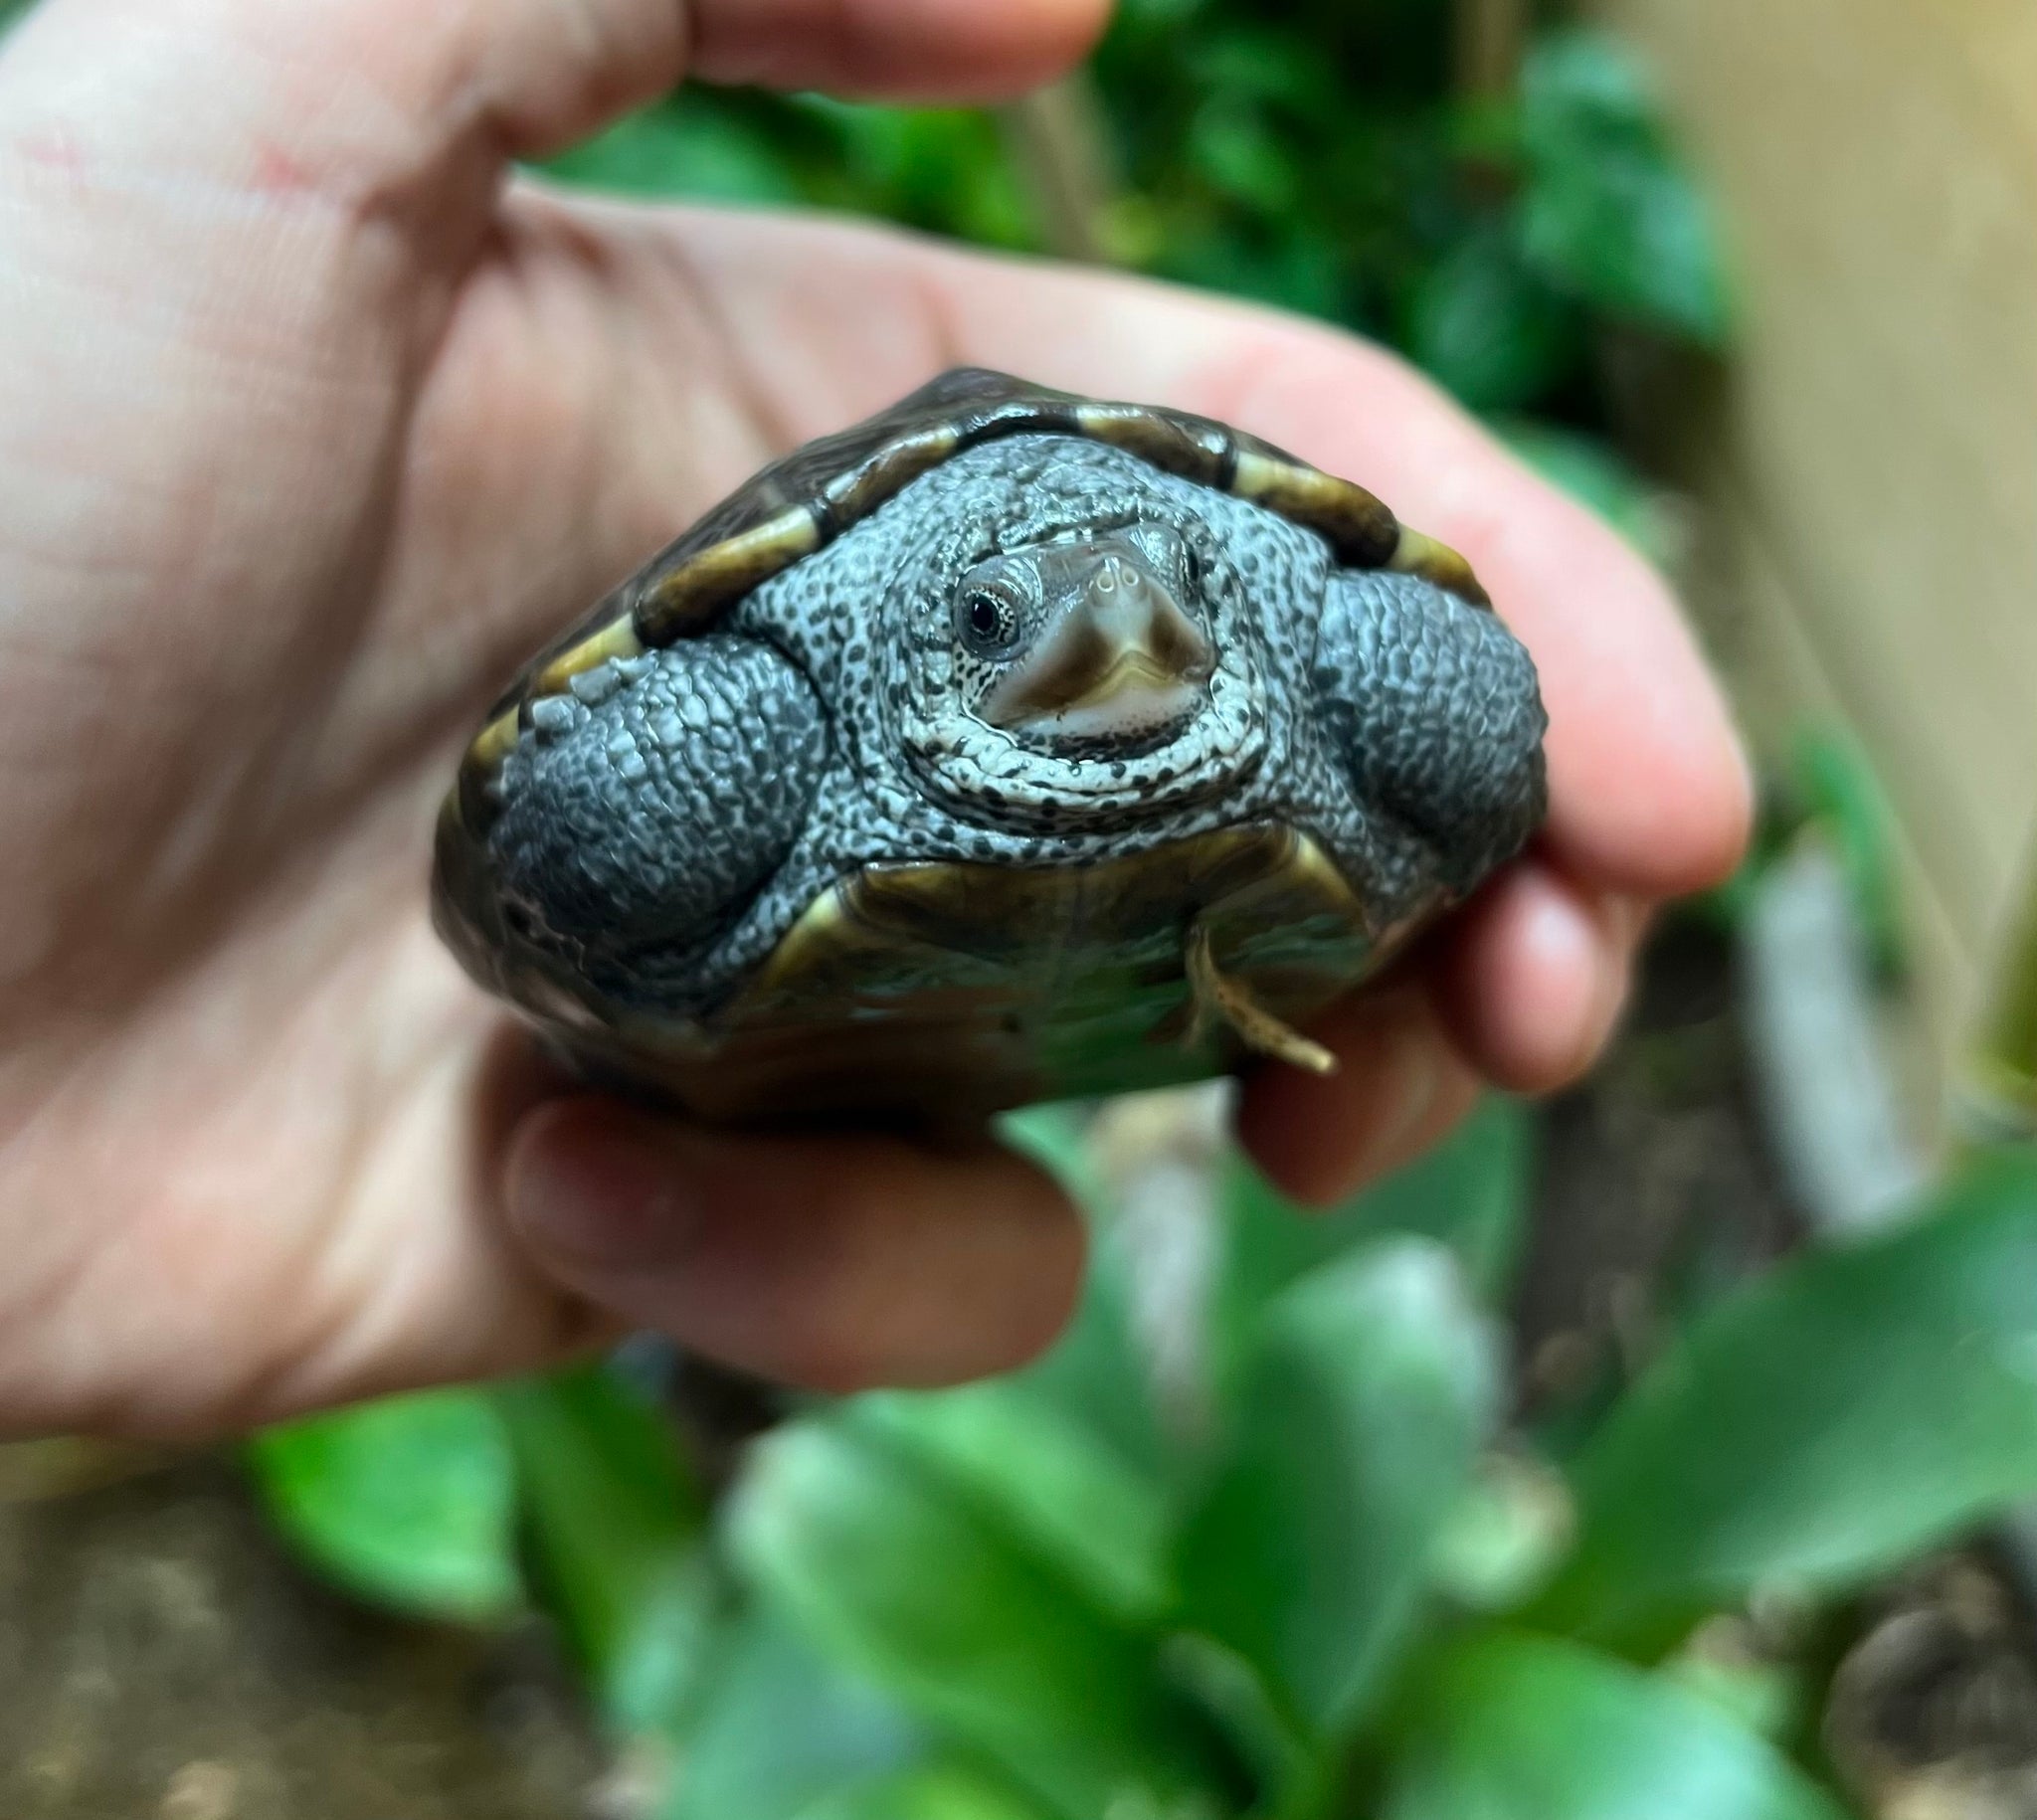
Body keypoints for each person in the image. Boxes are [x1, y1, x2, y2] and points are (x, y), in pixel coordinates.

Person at [0, 0, 1750, 1439]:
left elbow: (1458, 719)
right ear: (938, 635)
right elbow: (568, 829)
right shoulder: (789, 694)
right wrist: (565, 855)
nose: (1114, 633)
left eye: (1162, 602)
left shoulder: (1279, 617)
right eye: (1008, 623)